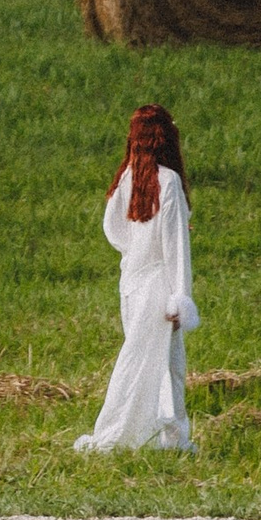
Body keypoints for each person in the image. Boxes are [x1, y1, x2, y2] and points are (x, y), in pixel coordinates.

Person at [73, 102, 199, 454]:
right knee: (168, 364)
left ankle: (147, 434)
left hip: (132, 283)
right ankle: (168, 438)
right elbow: (175, 246)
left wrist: (135, 252)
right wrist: (180, 297)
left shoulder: (125, 180)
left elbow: (113, 231)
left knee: (140, 357)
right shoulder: (168, 181)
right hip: (160, 285)